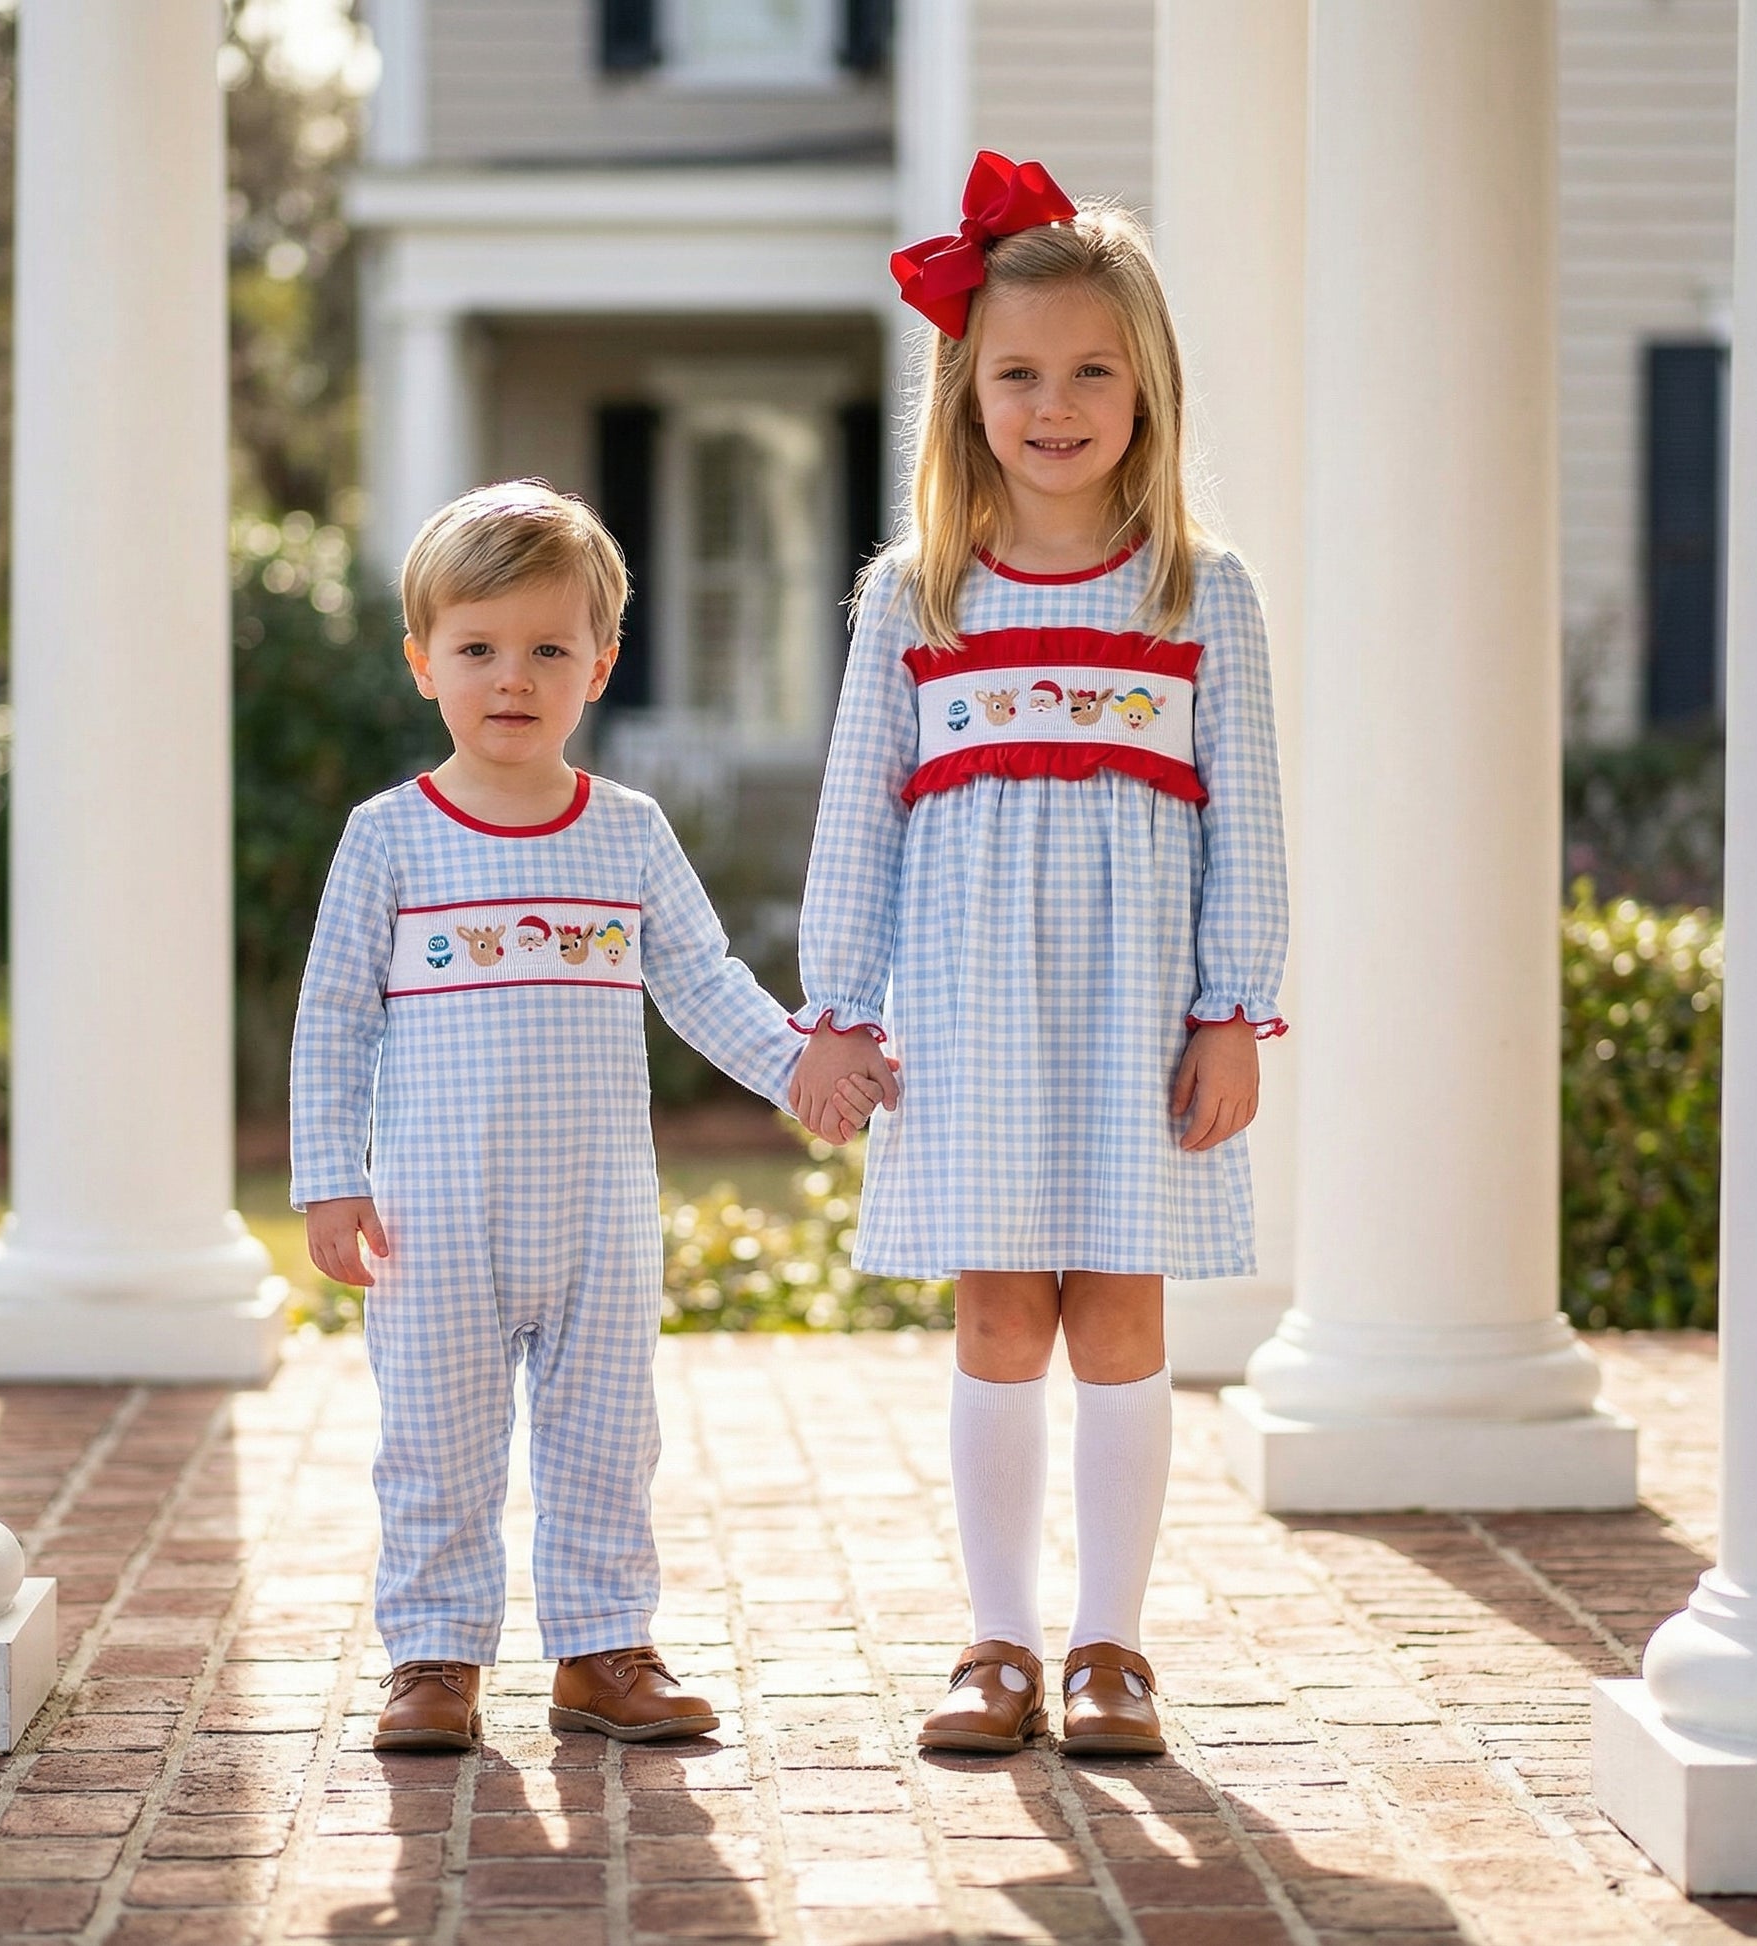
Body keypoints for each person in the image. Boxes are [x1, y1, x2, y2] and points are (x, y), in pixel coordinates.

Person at [787, 153, 1288, 1757]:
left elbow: (1247, 821)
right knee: (1000, 1311)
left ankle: (1109, 1647)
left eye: (1090, 371)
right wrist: (838, 1013)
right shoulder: (914, 597)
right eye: (1018, 372)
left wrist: (1230, 1011)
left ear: (1146, 390)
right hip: (968, 1007)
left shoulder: (1199, 596)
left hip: (1137, 1007)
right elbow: (854, 822)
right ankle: (996, 1636)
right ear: (966, 391)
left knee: (1120, 1314)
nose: (1054, 402)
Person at [291, 481, 894, 1751]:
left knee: (606, 1441)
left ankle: (601, 1649)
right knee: (435, 1442)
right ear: (422, 662)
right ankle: (434, 1657)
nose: (512, 677)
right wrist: (325, 1175)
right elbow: (335, 1014)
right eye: (477, 648)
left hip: (597, 1214)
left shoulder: (625, 833)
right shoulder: (390, 839)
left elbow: (700, 982)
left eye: (547, 649)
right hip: (431, 1217)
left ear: (598, 665)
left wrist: (804, 1069)